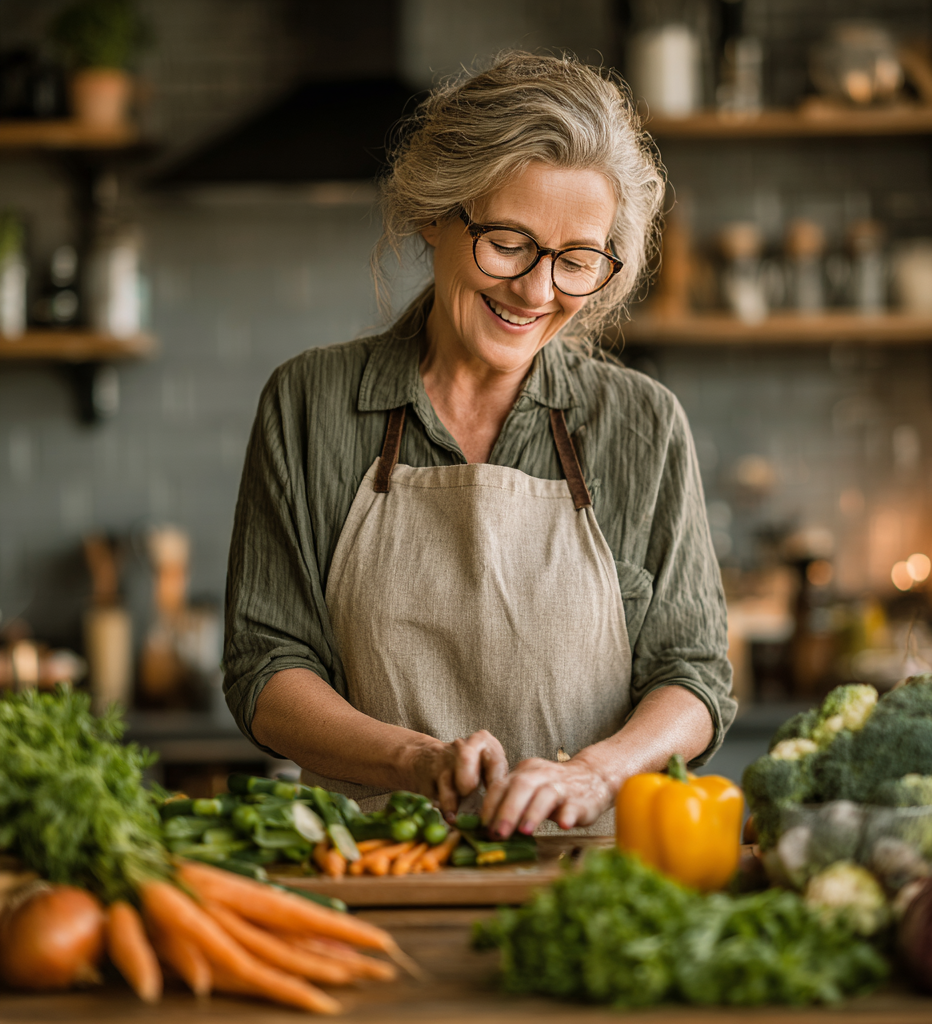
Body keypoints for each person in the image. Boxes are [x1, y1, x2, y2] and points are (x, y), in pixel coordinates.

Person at [223, 52, 734, 839]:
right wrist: (416, 765)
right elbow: (266, 665)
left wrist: (595, 772)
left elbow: (694, 677)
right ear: (436, 213)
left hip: (589, 887)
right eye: (508, 242)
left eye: (577, 260)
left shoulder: (643, 425)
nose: (536, 291)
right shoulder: (310, 405)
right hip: (372, 873)